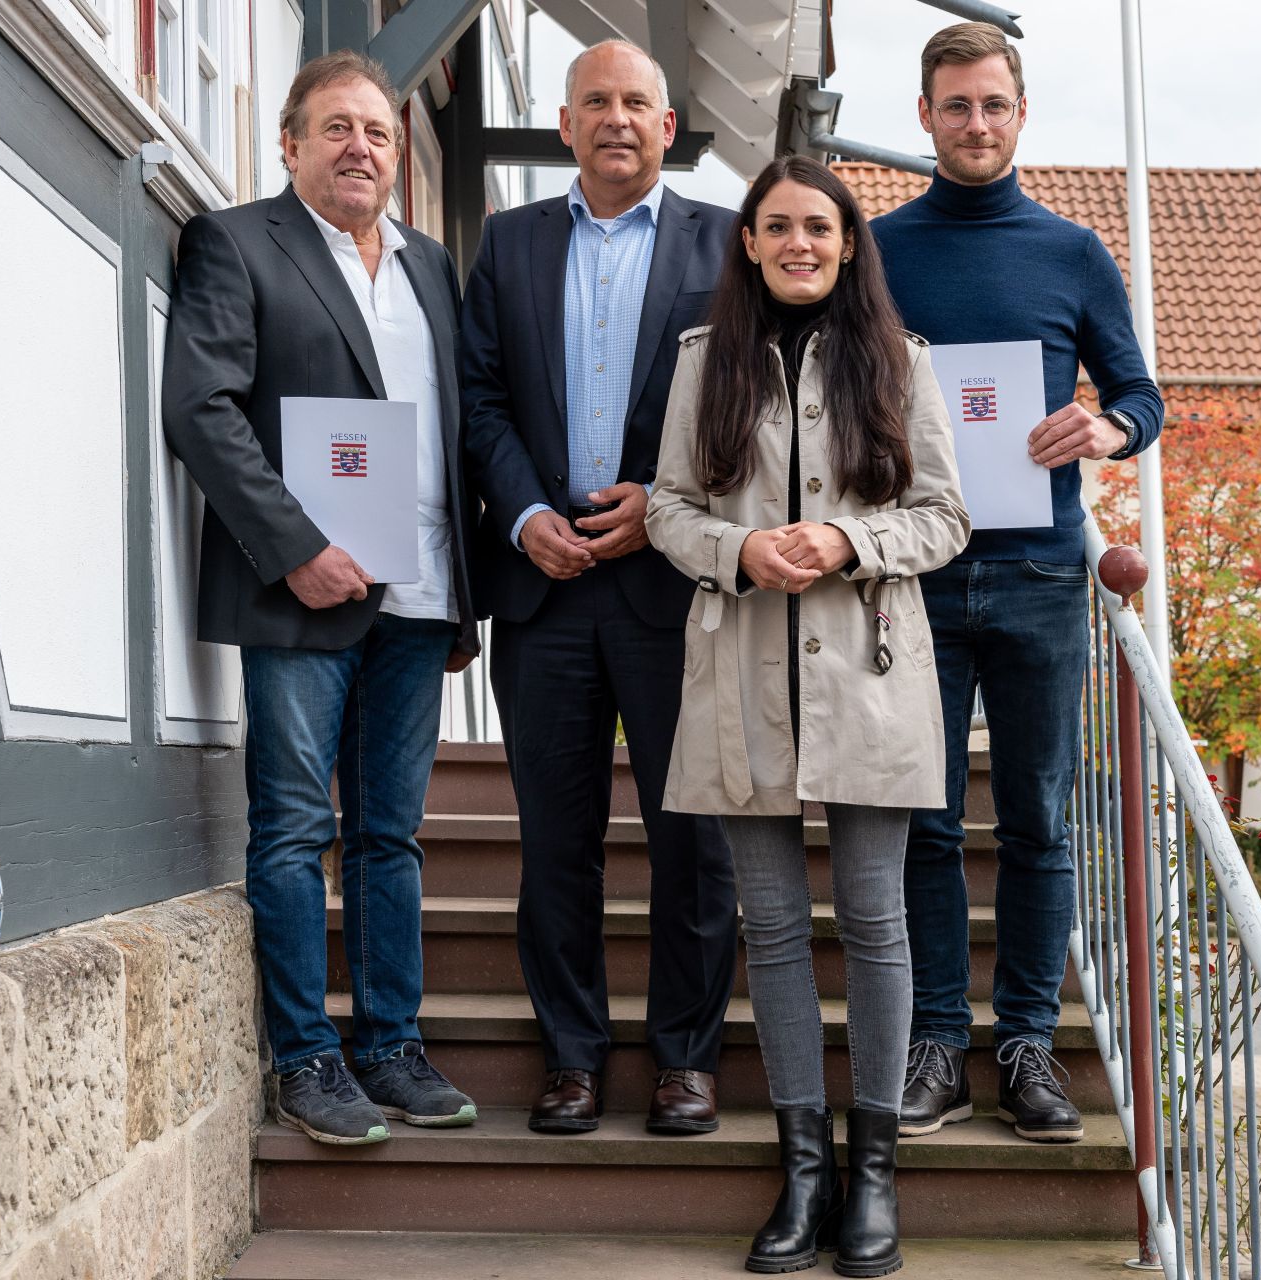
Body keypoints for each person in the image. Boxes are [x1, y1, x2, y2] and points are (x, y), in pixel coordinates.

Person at [648, 154, 970, 1278]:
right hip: (741, 664)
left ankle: (875, 1173)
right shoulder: (705, 361)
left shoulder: (900, 359)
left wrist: (847, 542)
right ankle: (804, 1170)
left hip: (872, 668)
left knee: (875, 922)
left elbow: (945, 517)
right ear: (748, 240)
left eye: (819, 229)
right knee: (774, 929)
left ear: (846, 244)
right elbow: (667, 509)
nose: (799, 244)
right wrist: (738, 549)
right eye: (778, 226)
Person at [162, 52, 478, 1145]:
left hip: (421, 588)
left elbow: (451, 426)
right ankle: (308, 1056)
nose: (361, 147)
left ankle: (392, 1043)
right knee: (296, 826)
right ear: (290, 144)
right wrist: (295, 546)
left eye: (379, 132)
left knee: (390, 833)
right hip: (302, 595)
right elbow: (201, 408)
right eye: (336, 128)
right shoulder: (238, 242)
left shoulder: (434, 265)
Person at [871, 22, 1166, 1144]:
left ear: (1020, 113)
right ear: (927, 117)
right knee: (928, 824)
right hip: (918, 579)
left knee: (1038, 821)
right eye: (957, 105)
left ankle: (1029, 1043)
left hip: (1043, 573)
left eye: (994, 104)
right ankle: (939, 1041)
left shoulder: (1074, 252)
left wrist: (1103, 422)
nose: (976, 123)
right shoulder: (880, 250)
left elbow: (1143, 395)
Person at [459, 40, 740, 1136]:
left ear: (669, 128)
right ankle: (572, 1055)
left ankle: (686, 1060)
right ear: (565, 126)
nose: (616, 118)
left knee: (694, 842)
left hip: (671, 584)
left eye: (637, 103)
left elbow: (749, 409)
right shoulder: (510, 243)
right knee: (556, 841)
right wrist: (527, 513)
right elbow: (479, 396)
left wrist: (663, 502)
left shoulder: (726, 244)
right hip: (544, 586)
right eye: (595, 103)